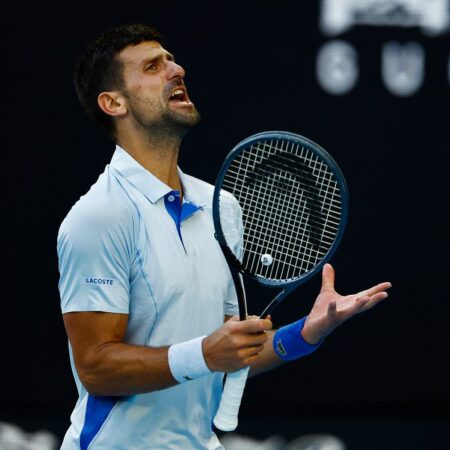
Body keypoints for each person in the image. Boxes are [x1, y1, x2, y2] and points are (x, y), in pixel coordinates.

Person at [56, 23, 392, 450]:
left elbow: (228, 353)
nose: (177, 69)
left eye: (171, 59)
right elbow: (95, 367)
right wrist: (205, 354)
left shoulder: (221, 207)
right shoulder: (99, 216)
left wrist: (306, 332)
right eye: (153, 66)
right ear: (113, 102)